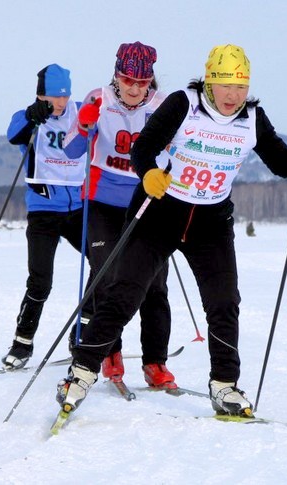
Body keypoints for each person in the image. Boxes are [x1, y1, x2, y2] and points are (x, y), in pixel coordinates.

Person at [57, 44, 287, 418]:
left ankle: (225, 386)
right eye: (225, 86)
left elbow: (279, 161)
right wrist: (148, 172)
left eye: (241, 87)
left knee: (224, 302)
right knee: (124, 293)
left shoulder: (253, 118)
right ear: (210, 82)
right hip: (161, 212)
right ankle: (81, 372)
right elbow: (144, 147)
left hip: (210, 223)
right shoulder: (184, 103)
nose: (233, 96)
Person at [61, 42, 176, 389]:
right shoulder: (98, 99)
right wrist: (83, 126)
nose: (135, 88)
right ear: (117, 75)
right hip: (103, 201)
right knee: (107, 273)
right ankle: (110, 351)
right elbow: (71, 150)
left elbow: (178, 150)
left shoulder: (161, 105)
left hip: (147, 201)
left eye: (142, 82)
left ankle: (155, 362)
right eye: (128, 80)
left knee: (154, 283)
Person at [1, 63, 94, 370]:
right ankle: (22, 343)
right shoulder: (29, 116)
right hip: (43, 211)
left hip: (78, 208)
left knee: (104, 263)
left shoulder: (79, 111)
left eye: (65, 97)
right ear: (42, 95)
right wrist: (31, 116)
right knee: (40, 281)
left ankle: (81, 332)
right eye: (55, 97)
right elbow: (12, 134)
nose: (62, 103)